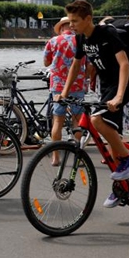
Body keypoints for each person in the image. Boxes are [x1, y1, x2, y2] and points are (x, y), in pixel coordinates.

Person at [58, 0, 129, 209]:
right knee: (111, 134)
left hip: (123, 85)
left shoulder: (106, 34)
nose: (71, 25)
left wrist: (120, 97)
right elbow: (76, 65)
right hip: (106, 87)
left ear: (88, 19)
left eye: (75, 20)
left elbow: (124, 65)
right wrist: (64, 93)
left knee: (96, 120)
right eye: (70, 20)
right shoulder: (80, 39)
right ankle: (120, 186)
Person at [43, 16, 86, 166]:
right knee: (77, 122)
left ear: (61, 28)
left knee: (57, 121)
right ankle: (77, 157)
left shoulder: (53, 41)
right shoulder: (81, 40)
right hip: (78, 84)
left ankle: (56, 157)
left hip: (58, 87)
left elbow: (46, 62)